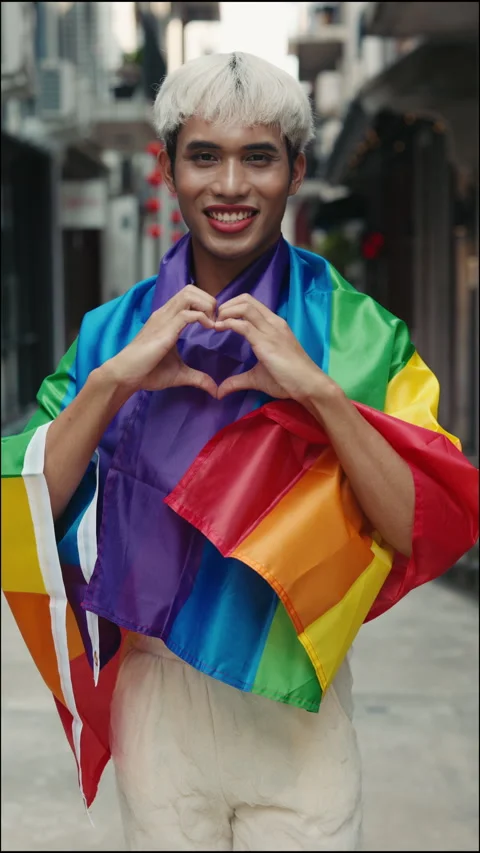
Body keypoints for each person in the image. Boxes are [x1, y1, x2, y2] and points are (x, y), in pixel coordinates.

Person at [2, 52, 478, 853]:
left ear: (296, 170)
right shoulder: (111, 335)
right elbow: (20, 511)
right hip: (158, 703)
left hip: (298, 711)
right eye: (204, 156)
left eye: (258, 157)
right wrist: (111, 384)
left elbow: (422, 524)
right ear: (168, 169)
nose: (230, 185)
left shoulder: (359, 335)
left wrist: (320, 394)